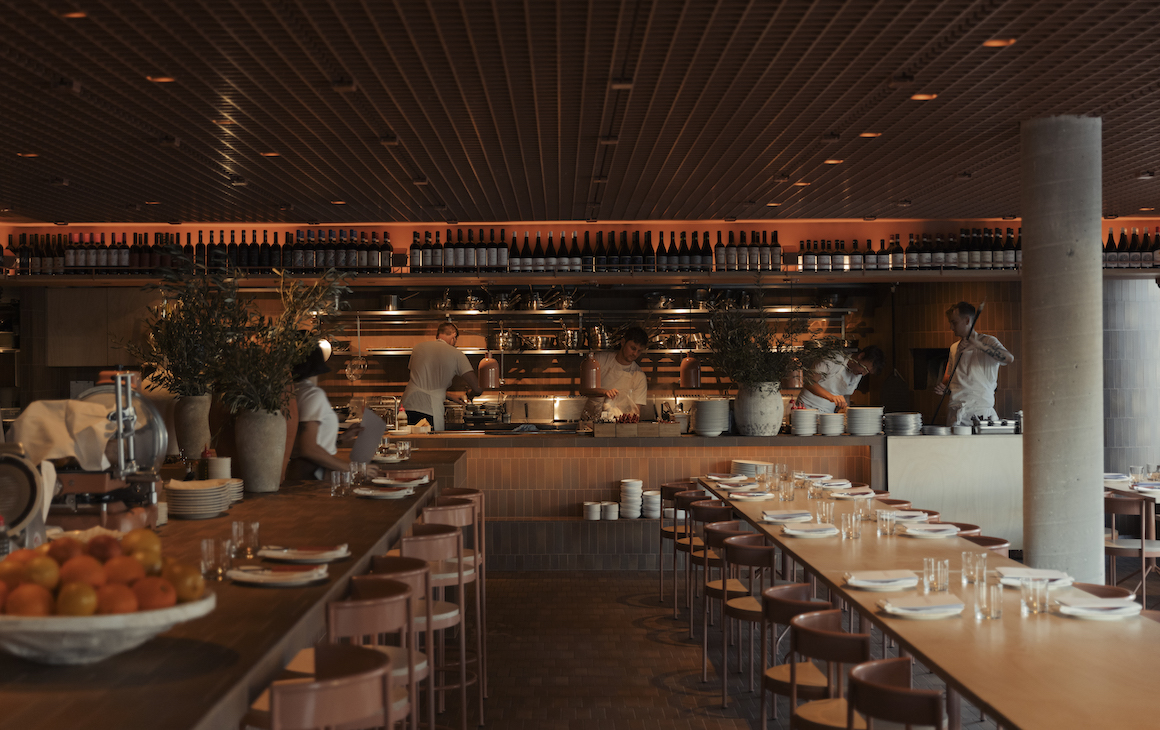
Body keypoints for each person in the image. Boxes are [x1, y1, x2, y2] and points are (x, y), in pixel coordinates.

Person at [289, 344, 375, 480]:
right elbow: (308, 448)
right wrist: (354, 469)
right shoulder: (312, 394)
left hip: (297, 474)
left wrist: (340, 438)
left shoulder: (293, 391)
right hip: (313, 475)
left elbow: (299, 440)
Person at [934, 301, 1015, 427]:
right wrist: (946, 389)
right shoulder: (954, 348)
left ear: (967, 320)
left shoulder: (988, 341)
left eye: (954, 322)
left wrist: (978, 344)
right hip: (956, 414)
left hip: (980, 414)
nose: (951, 327)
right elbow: (953, 380)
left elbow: (1009, 358)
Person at [401, 322, 482, 431]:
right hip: (430, 410)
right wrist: (470, 393)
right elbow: (477, 388)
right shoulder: (456, 354)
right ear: (454, 336)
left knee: (408, 445)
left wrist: (449, 395)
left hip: (407, 406)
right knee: (430, 447)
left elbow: (423, 383)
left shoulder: (418, 348)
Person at [580, 326, 649, 420]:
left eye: (639, 351)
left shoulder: (639, 376)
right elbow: (584, 390)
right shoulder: (599, 360)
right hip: (590, 422)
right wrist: (604, 392)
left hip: (617, 426)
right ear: (623, 342)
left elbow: (635, 412)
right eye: (633, 348)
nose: (635, 354)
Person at [796, 346, 885, 413]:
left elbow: (841, 395)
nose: (864, 374)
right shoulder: (834, 358)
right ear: (861, 356)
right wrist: (832, 397)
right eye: (864, 368)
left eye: (868, 372)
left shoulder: (858, 373)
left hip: (828, 414)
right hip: (806, 409)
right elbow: (809, 382)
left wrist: (840, 406)